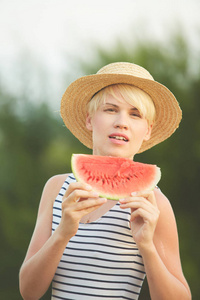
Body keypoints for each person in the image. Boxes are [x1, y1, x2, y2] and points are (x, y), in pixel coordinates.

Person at [19, 62, 191, 300]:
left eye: (135, 114)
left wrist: (147, 246)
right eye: (110, 109)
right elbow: (28, 292)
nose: (122, 121)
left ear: (148, 130)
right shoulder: (57, 189)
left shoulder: (154, 203)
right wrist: (63, 233)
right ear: (90, 120)